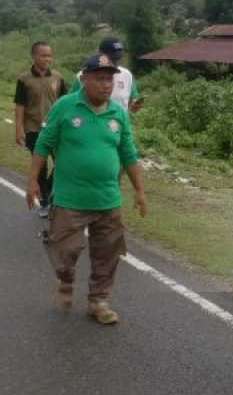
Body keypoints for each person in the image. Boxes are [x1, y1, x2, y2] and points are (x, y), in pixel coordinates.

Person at [27, 54, 146, 325]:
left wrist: (139, 190)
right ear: (84, 79)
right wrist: (33, 180)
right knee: (65, 251)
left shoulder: (118, 113)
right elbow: (44, 143)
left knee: (108, 253)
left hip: (108, 199)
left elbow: (128, 152)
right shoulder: (65, 107)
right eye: (100, 79)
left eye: (110, 79)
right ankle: (66, 279)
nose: (106, 85)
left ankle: (98, 301)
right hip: (70, 198)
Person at [14, 41, 67, 218]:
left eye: (49, 55)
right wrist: (19, 129)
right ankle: (45, 202)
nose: (47, 59)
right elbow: (20, 106)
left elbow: (66, 104)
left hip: (56, 129)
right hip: (34, 130)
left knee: (63, 162)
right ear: (34, 56)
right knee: (41, 167)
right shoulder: (24, 79)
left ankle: (51, 194)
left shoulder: (58, 77)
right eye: (43, 55)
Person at [73, 37, 143, 113]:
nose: (115, 62)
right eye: (112, 59)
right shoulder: (84, 76)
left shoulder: (127, 75)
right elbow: (72, 102)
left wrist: (135, 104)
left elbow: (134, 98)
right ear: (99, 53)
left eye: (118, 58)